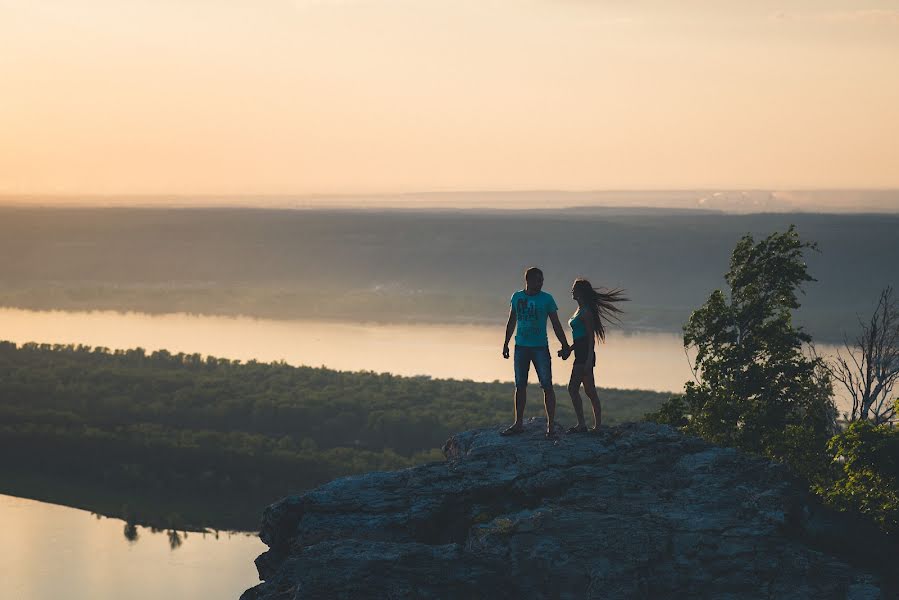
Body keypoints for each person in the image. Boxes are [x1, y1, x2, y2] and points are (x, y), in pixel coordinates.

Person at [501, 267, 570, 438]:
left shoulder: (547, 299)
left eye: (542, 280)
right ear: (529, 280)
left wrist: (565, 344)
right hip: (521, 347)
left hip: (540, 347)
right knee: (520, 385)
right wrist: (505, 343)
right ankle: (518, 424)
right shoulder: (517, 297)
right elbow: (511, 321)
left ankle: (551, 427)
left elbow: (556, 324)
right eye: (538, 280)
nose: (541, 283)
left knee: (547, 385)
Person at [559, 278, 627, 433]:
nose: (572, 290)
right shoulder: (579, 310)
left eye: (574, 288)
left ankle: (592, 425)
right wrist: (569, 349)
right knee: (585, 390)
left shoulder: (586, 312)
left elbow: (591, 338)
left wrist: (589, 359)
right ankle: (586, 424)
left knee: (577, 389)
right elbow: (580, 338)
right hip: (579, 354)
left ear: (581, 292)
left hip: (585, 356)